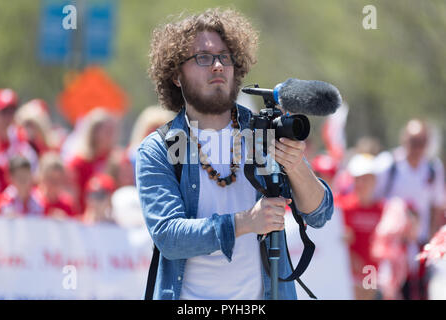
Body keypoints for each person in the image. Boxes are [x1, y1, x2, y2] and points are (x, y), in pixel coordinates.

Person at [136, 8, 334, 300]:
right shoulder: (159, 149)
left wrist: (296, 166)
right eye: (203, 57)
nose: (217, 65)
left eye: (224, 56)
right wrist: (245, 222)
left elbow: (319, 214)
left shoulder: (263, 131)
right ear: (177, 75)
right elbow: (169, 237)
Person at [374, 119, 445, 299]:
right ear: (404, 140)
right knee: (390, 290)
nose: (417, 147)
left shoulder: (432, 168)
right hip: (391, 246)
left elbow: (437, 204)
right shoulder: (389, 165)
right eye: (413, 141)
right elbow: (375, 199)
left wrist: (430, 239)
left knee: (419, 291)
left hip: (419, 243)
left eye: (422, 142)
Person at [335, 153, 384, 299]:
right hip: (346, 276)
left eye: (366, 178)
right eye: (358, 179)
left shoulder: (384, 210)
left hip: (372, 275)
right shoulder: (340, 207)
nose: (361, 183)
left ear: (374, 180)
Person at [0, 89, 38, 195]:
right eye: (4, 112)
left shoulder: (20, 138)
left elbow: (32, 170)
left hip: (13, 203)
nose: (8, 117)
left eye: (12, 111)